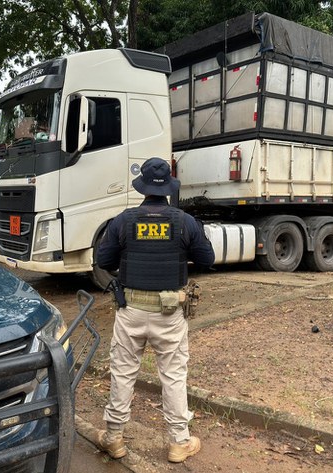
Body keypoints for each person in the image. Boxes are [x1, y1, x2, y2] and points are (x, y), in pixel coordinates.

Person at [94, 157, 215, 463]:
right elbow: (207, 259)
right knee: (173, 376)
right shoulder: (184, 221)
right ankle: (178, 443)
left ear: (142, 187)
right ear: (168, 188)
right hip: (170, 312)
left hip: (130, 310)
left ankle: (114, 439)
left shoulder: (123, 220)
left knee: (122, 374)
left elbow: (103, 261)